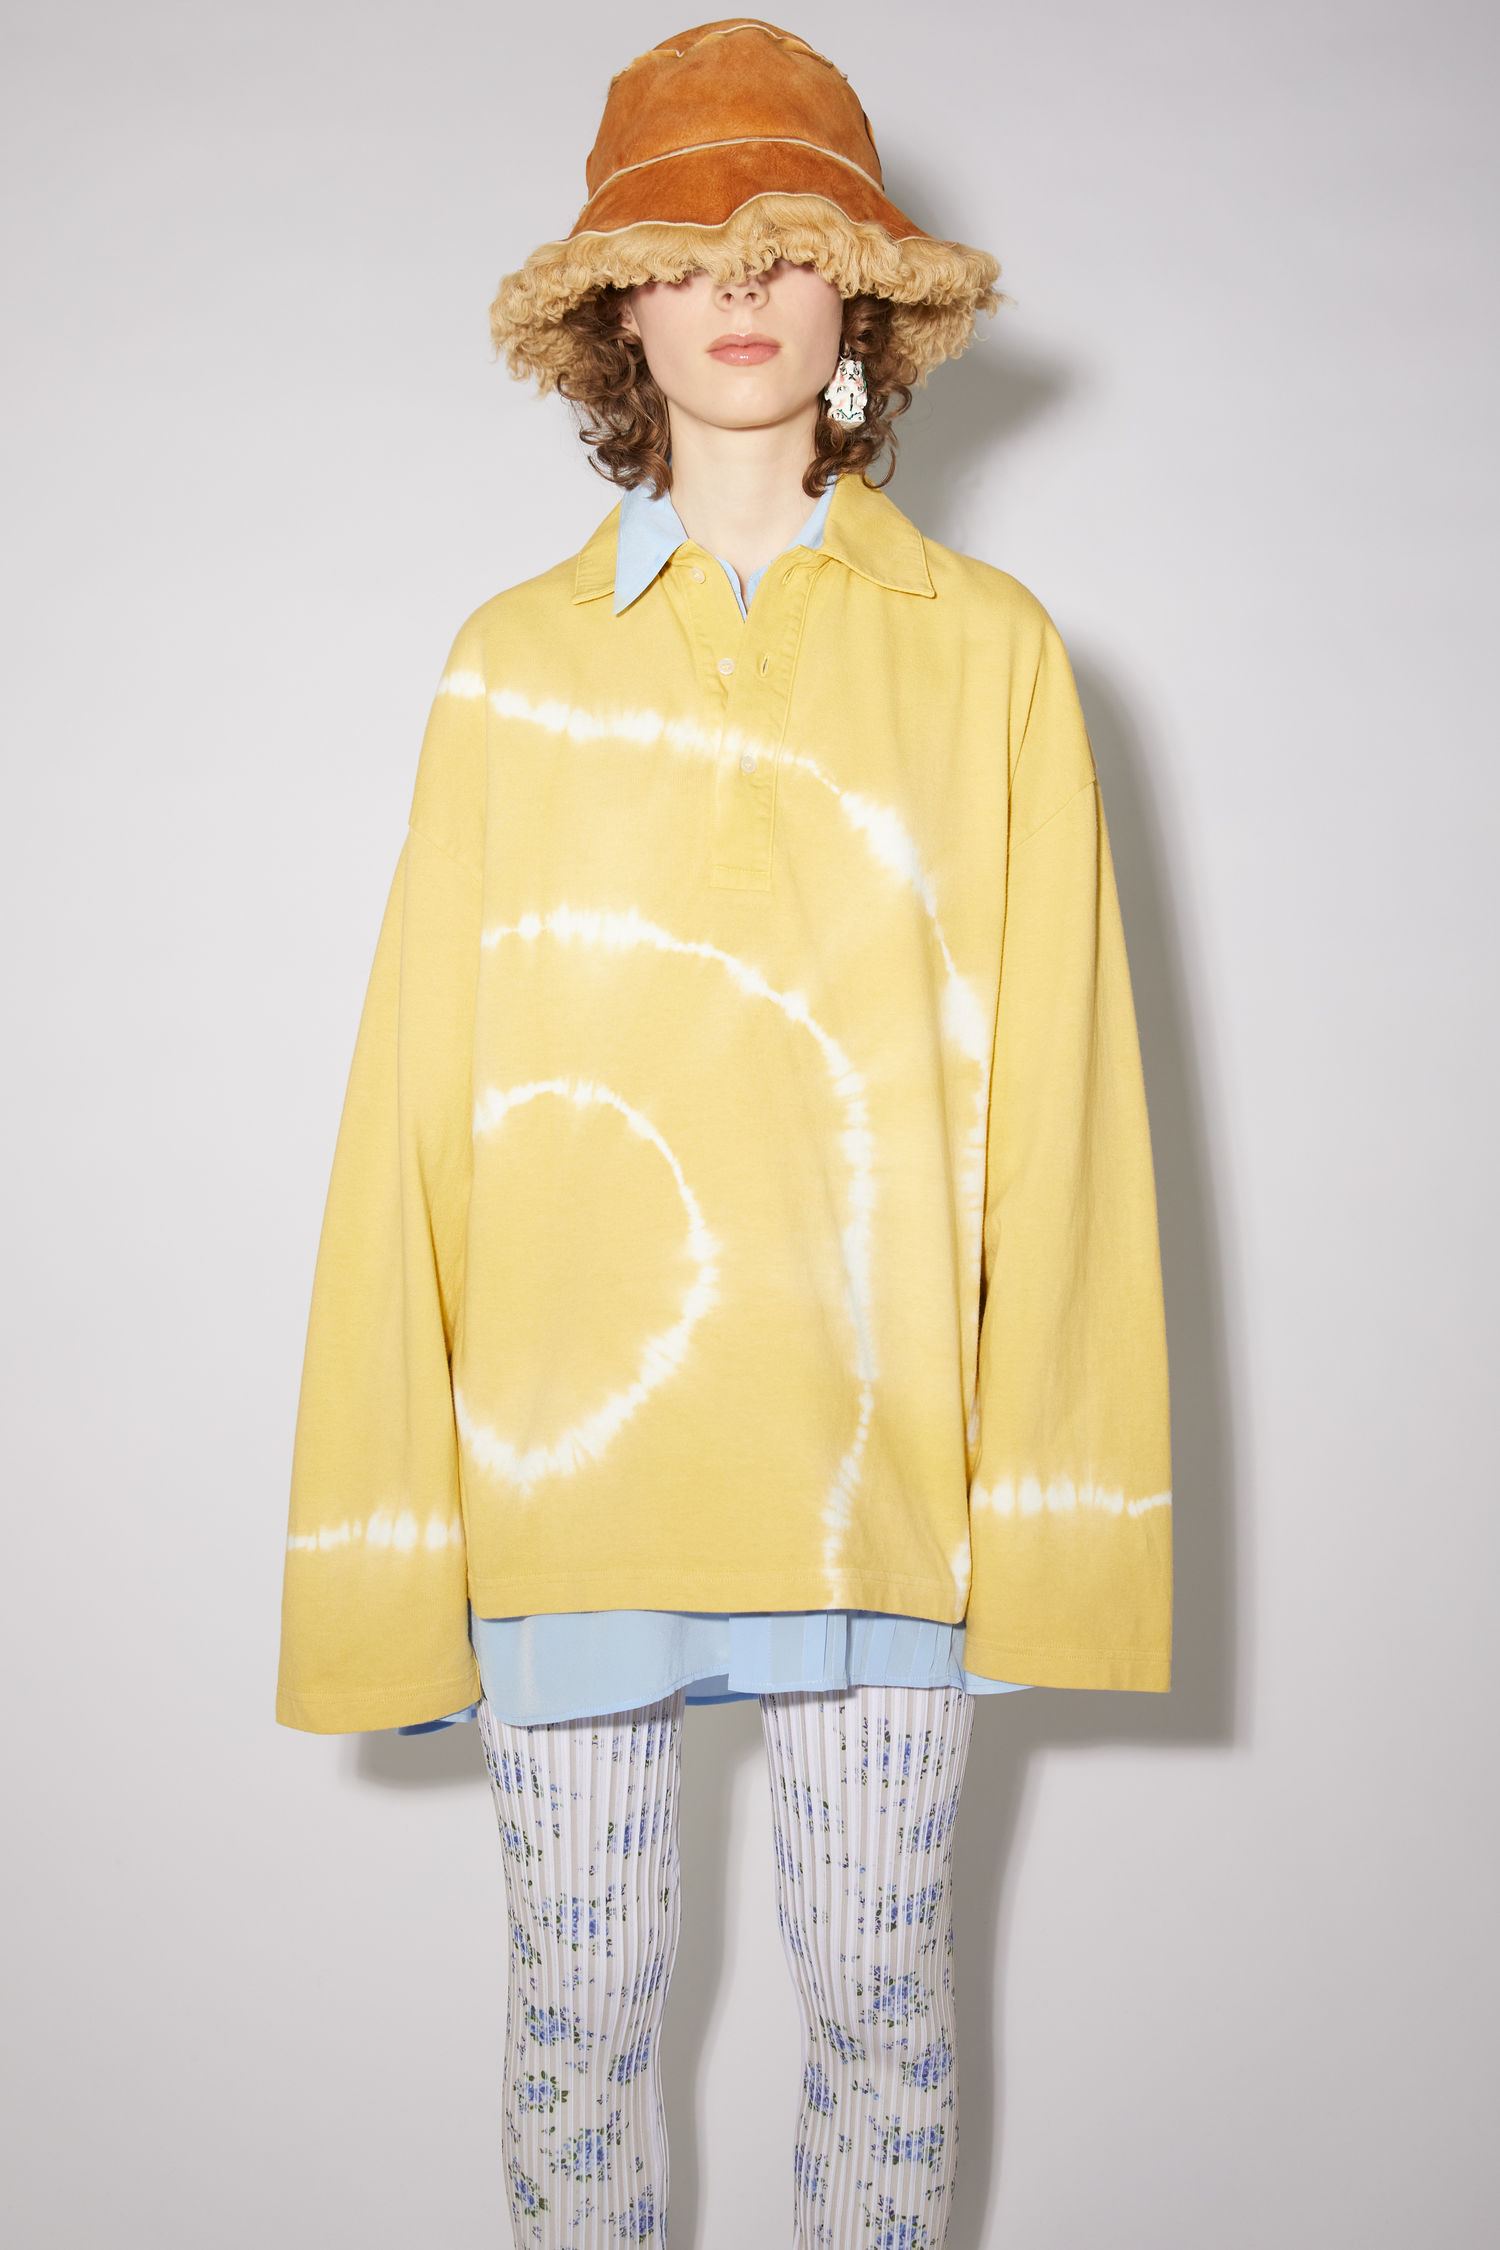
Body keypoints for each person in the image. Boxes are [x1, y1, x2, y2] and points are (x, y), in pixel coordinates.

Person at [275, 19, 1172, 2247]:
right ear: (617, 314)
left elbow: (1067, 1104)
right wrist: (395, 1540)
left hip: (885, 1477)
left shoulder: (993, 657)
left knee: (882, 2010)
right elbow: (412, 1105)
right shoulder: (509, 664)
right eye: (681, 253)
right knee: (577, 2021)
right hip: (569, 1472)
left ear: (863, 294)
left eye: (788, 241)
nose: (740, 289)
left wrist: (1046, 1518)